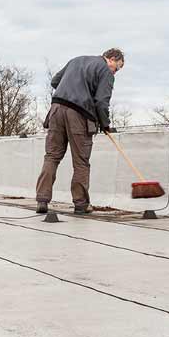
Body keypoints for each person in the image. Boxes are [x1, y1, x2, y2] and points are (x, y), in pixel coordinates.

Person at [35, 48, 124, 215]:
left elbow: (55, 82)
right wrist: (105, 124)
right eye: (117, 68)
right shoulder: (105, 71)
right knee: (81, 161)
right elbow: (101, 102)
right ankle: (81, 204)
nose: (115, 72)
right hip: (79, 115)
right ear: (111, 59)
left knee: (52, 156)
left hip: (56, 109)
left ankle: (42, 199)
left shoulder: (76, 60)